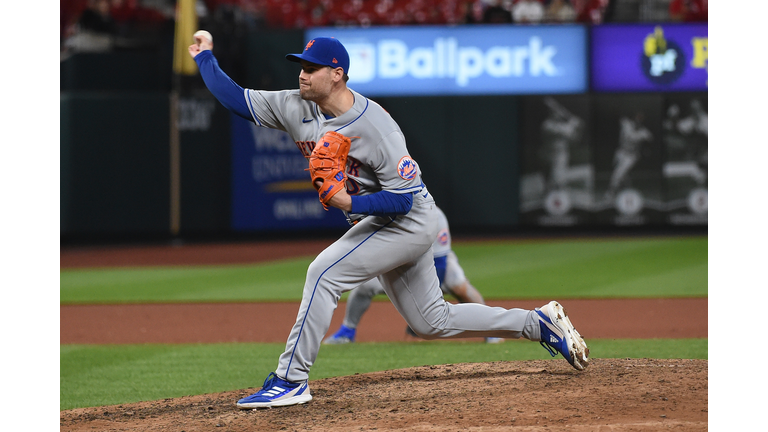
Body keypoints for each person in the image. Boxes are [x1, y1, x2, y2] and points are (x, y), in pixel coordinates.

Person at [188, 34, 589, 409]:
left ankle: (290, 380)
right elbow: (235, 99)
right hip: (385, 221)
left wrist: (347, 200)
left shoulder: (375, 125)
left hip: (410, 220)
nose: (302, 74)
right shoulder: (296, 105)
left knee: (323, 272)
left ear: (337, 74)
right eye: (300, 66)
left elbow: (403, 199)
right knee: (431, 321)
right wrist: (205, 55)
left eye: (311, 68)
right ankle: (538, 323)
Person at [323, 206, 504, 345]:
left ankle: (491, 331)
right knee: (365, 286)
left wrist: (424, 308)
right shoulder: (387, 215)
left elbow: (439, 263)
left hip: (438, 265)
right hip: (401, 264)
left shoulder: (435, 216)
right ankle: (347, 332)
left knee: (458, 284)